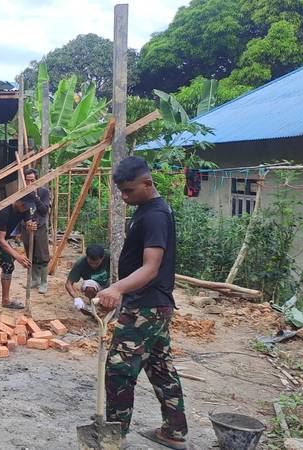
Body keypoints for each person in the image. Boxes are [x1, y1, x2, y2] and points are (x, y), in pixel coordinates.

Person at [96, 156, 188, 449]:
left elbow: (151, 267)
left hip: (145, 307)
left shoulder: (155, 215)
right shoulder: (147, 210)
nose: (124, 197)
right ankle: (174, 432)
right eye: (121, 191)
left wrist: (117, 288)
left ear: (147, 183)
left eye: (129, 191)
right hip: (155, 306)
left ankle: (115, 437)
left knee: (119, 369)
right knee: (160, 367)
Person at [0, 195, 38, 317]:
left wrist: (30, 225)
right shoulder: (4, 211)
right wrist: (18, 256)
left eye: (27, 207)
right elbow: (1, 240)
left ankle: (5, 300)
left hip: (2, 238)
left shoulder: (24, 209)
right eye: (24, 205)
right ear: (18, 201)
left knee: (8, 265)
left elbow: (28, 222)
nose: (25, 208)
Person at [20, 168, 52, 294]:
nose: (30, 183)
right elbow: (20, 210)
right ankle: (34, 279)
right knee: (30, 254)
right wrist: (27, 222)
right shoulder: (22, 193)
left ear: (37, 180)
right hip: (26, 227)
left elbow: (44, 210)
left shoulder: (44, 192)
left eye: (32, 180)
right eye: (27, 180)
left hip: (40, 227)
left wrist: (36, 197)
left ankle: (43, 282)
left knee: (43, 255)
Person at [65, 244, 111, 311]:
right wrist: (76, 298)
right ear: (87, 257)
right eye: (91, 263)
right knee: (89, 285)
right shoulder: (80, 263)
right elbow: (68, 283)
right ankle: (93, 304)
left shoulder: (110, 256)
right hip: (95, 287)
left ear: (102, 258)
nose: (93, 266)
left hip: (111, 285)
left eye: (97, 263)